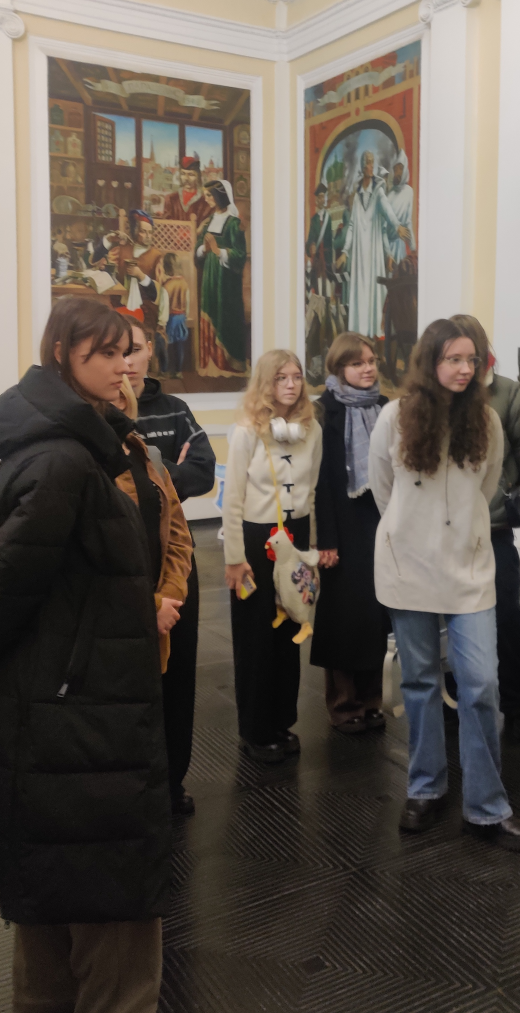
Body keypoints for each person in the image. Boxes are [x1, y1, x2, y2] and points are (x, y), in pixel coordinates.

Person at [0, 298, 172, 1013]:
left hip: (69, 684)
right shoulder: (63, 458)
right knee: (113, 871)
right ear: (61, 355)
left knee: (57, 849)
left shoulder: (77, 440)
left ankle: (44, 1003)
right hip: (80, 694)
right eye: (103, 353)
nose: (123, 365)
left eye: (126, 351)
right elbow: (7, 580)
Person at [368, 318, 520, 853]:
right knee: (420, 682)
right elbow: (383, 489)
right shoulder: (394, 417)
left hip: (468, 569)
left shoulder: (487, 421)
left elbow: (487, 489)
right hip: (408, 568)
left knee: (481, 683)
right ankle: (425, 787)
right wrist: (414, 533)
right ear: (430, 362)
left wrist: (457, 532)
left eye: (472, 359)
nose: (465, 369)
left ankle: (487, 807)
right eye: (454, 359)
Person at [122, 317, 216, 816]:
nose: (128, 361)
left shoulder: (175, 409)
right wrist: (164, 471)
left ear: (149, 353)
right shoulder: (100, 416)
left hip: (178, 566)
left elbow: (203, 472)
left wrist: (157, 474)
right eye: (117, 351)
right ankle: (134, 783)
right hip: (130, 570)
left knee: (177, 678)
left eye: (135, 349)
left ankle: (172, 780)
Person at [223, 351, 322, 764]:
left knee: (289, 627)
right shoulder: (247, 431)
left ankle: (282, 720)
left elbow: (311, 491)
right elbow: (232, 499)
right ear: (266, 382)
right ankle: (255, 730)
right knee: (256, 635)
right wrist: (234, 557)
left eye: (297, 377)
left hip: (294, 535)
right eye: (281, 378)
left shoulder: (311, 429)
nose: (291, 385)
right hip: (255, 539)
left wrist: (310, 552)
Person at [450, 315, 520, 742]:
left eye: (471, 353)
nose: (464, 364)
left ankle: (519, 705)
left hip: (494, 528)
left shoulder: (509, 395)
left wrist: (516, 492)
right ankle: (452, 697)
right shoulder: (436, 398)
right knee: (449, 619)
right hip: (447, 533)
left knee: (506, 615)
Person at [311, 333, 390, 733]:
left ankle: (372, 699)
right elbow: (321, 481)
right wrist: (327, 539)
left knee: (376, 613)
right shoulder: (324, 411)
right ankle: (344, 704)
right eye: (358, 363)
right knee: (343, 616)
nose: (367, 369)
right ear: (339, 368)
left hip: (380, 520)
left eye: (371, 361)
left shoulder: (385, 407)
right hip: (342, 524)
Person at [338, 150, 398, 339]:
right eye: (367, 163)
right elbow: (352, 226)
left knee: (374, 296)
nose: (370, 166)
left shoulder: (379, 191)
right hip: (359, 257)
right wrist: (345, 252)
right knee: (360, 295)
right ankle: (360, 336)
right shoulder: (357, 196)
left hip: (373, 255)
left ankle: (375, 338)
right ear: (362, 166)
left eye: (372, 162)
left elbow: (387, 213)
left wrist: (397, 225)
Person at [196, 180, 249, 375]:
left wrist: (218, 251)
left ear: (220, 196)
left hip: (226, 281)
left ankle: (228, 366)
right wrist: (204, 249)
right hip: (209, 277)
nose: (206, 199)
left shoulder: (234, 223)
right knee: (210, 309)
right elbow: (198, 249)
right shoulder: (208, 221)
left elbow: (240, 254)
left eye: (209, 195)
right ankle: (210, 365)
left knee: (225, 316)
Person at [158, 252, 190, 379]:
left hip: (170, 318)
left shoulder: (166, 286)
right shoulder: (185, 284)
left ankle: (164, 371)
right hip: (181, 318)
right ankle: (178, 371)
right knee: (179, 345)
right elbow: (187, 303)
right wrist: (185, 316)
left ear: (167, 268)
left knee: (163, 343)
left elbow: (164, 308)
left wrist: (161, 323)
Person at [385, 150, 415, 270]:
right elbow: (384, 228)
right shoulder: (389, 196)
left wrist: (413, 249)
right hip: (388, 249)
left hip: (400, 248)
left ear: (405, 170)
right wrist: (388, 253)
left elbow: (408, 222)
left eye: (400, 169)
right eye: (395, 169)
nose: (397, 172)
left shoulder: (409, 192)